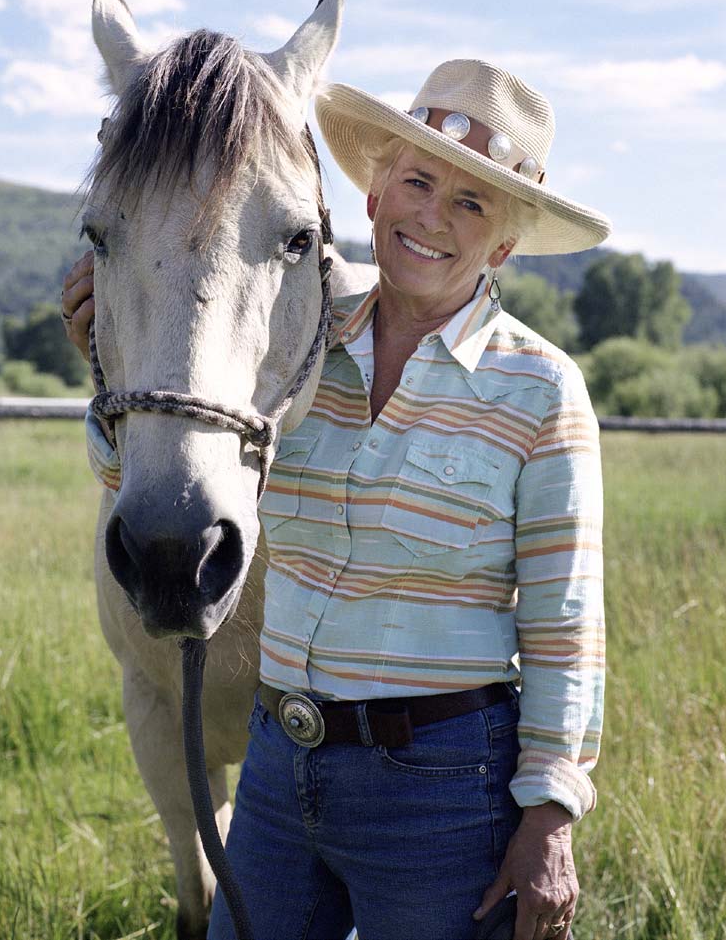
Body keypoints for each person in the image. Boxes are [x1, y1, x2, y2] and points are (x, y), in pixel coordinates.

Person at [62, 58, 608, 940]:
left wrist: (549, 813)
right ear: (372, 195)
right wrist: (114, 377)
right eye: (418, 181)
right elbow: (176, 452)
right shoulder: (301, 351)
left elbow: (564, 621)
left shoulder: (539, 390)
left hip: (437, 784)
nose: (431, 214)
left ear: (501, 245)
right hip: (282, 767)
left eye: (470, 203)